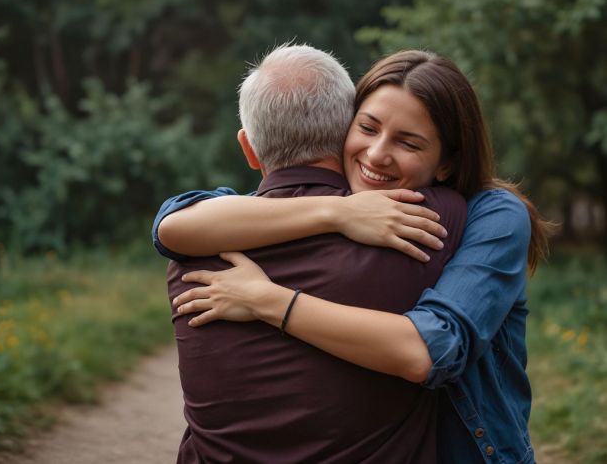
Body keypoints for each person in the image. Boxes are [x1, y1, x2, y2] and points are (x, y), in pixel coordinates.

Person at [155, 49, 552, 463]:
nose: (377, 154)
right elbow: (171, 227)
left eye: (408, 142)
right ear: (342, 127)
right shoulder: (271, 215)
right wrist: (339, 211)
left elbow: (429, 349)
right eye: (367, 127)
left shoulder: (473, 215)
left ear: (448, 162)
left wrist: (267, 299)